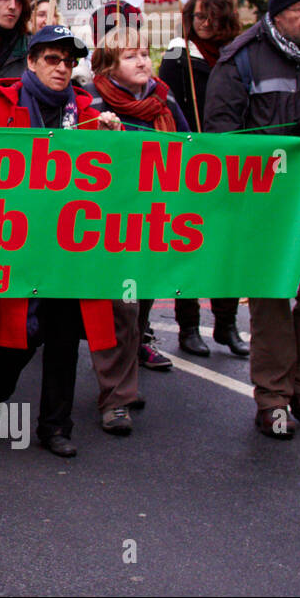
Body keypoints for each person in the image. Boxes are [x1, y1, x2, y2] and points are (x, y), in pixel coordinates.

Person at [0, 25, 123, 456]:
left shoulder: (91, 115)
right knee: (23, 331)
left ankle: (56, 427)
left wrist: (116, 143)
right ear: (32, 62)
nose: (62, 68)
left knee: (63, 333)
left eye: (69, 62)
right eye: (53, 60)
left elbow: (116, 183)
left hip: (71, 246)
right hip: (16, 242)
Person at [204, 0, 300, 439]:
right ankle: (273, 398)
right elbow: (221, 138)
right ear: (278, 14)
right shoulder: (242, 59)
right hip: (265, 209)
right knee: (272, 301)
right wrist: (288, 138)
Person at [85, 26, 192, 428]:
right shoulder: (92, 103)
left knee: (139, 307)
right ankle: (116, 397)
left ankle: (124, 380)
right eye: (130, 56)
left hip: (157, 220)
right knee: (120, 309)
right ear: (109, 66)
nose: (143, 62)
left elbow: (189, 149)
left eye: (145, 54)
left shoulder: (163, 101)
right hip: (110, 224)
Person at [160, 0, 248, 359]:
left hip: (229, 162)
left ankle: (226, 324)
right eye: (198, 16)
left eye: (211, 16)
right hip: (189, 162)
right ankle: (188, 326)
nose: (205, 23)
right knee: (189, 246)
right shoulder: (179, 53)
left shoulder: (237, 54)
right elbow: (164, 103)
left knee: (228, 247)